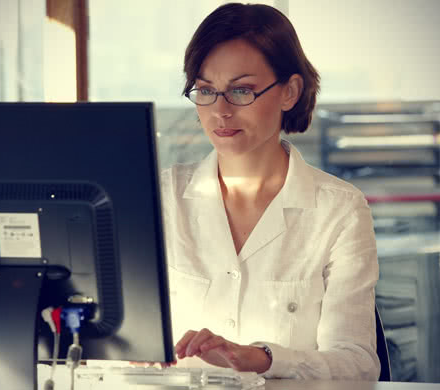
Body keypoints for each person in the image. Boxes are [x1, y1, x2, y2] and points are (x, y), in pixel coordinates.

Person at [160, 2, 380, 380]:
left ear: (289, 92)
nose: (220, 111)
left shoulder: (339, 211)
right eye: (205, 90)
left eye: (241, 91)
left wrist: (263, 358)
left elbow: (357, 365)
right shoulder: (162, 197)